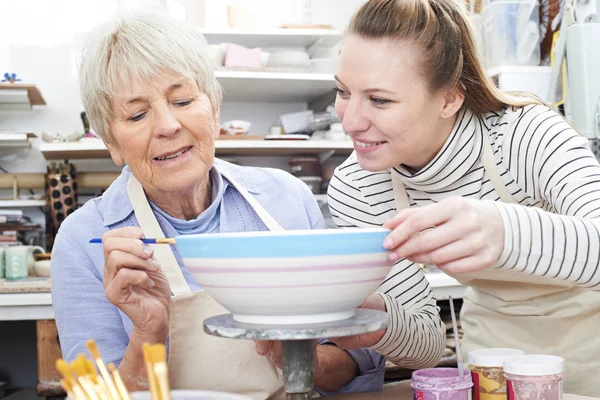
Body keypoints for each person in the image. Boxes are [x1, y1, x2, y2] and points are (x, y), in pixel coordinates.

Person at [50, 10, 446, 399]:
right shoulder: (85, 239)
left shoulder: (286, 199)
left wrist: (303, 360)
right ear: (112, 144)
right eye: (137, 114)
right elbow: (95, 394)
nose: (168, 126)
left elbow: (357, 362)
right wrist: (147, 335)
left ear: (215, 107)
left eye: (184, 100)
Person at [327, 0, 600, 396]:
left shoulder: (523, 133)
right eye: (342, 91)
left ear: (449, 99)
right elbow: (426, 345)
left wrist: (506, 232)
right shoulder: (358, 186)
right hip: (493, 355)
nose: (350, 121)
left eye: (380, 99)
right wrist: (377, 319)